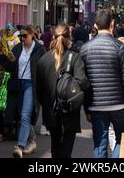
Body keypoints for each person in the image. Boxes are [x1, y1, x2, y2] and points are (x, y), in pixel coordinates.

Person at [80, 10, 124, 158]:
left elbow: (83, 81)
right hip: (119, 104)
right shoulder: (120, 47)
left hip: (96, 104)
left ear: (95, 25)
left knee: (100, 144)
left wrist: (87, 108)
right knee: (122, 140)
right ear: (112, 24)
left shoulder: (85, 49)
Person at [36, 23, 90, 158]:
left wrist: (47, 104)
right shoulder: (75, 58)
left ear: (53, 37)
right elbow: (83, 82)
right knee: (66, 149)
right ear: (69, 37)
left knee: (55, 147)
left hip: (50, 112)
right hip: (69, 111)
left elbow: (38, 90)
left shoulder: (43, 59)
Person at [0, 25, 45, 158]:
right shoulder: (17, 48)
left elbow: (43, 68)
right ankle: (32, 140)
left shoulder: (39, 49)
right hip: (18, 84)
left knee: (25, 114)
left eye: (25, 36)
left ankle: (20, 146)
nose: (22, 38)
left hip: (31, 84)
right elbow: (9, 69)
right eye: (20, 36)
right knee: (21, 114)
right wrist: (10, 61)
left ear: (32, 35)